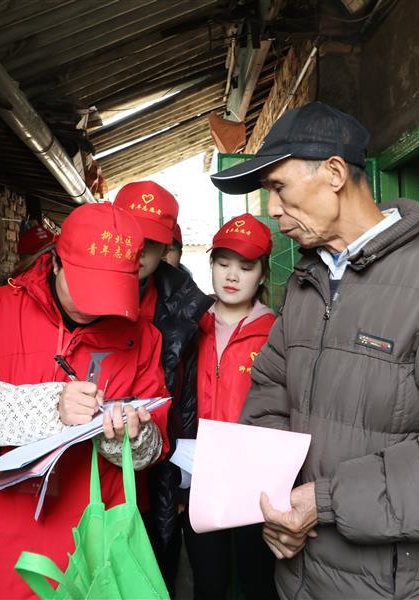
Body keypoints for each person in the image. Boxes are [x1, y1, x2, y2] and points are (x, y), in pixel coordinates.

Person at [210, 101, 419, 599]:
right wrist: (276, 504)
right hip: (301, 575)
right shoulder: (307, 281)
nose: (272, 208)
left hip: (396, 585)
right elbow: (270, 393)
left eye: (278, 187)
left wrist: (325, 502)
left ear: (334, 173)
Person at [0, 203, 170, 599]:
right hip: (7, 536)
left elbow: (155, 447)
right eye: (86, 288)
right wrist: (49, 407)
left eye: (108, 292)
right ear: (56, 262)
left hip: (98, 540)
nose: (95, 306)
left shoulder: (143, 337)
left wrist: (132, 436)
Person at [112, 181, 213, 593]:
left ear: (167, 247)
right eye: (130, 236)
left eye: (151, 243)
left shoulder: (186, 308)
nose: (138, 251)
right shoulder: (73, 301)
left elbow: (190, 399)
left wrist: (186, 477)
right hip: (89, 470)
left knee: (154, 574)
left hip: (159, 470)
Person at [184, 213, 277, 599]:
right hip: (199, 476)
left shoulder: (276, 333)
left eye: (246, 267)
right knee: (209, 584)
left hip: (257, 480)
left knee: (259, 583)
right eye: (223, 264)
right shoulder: (189, 327)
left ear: (263, 274)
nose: (232, 276)